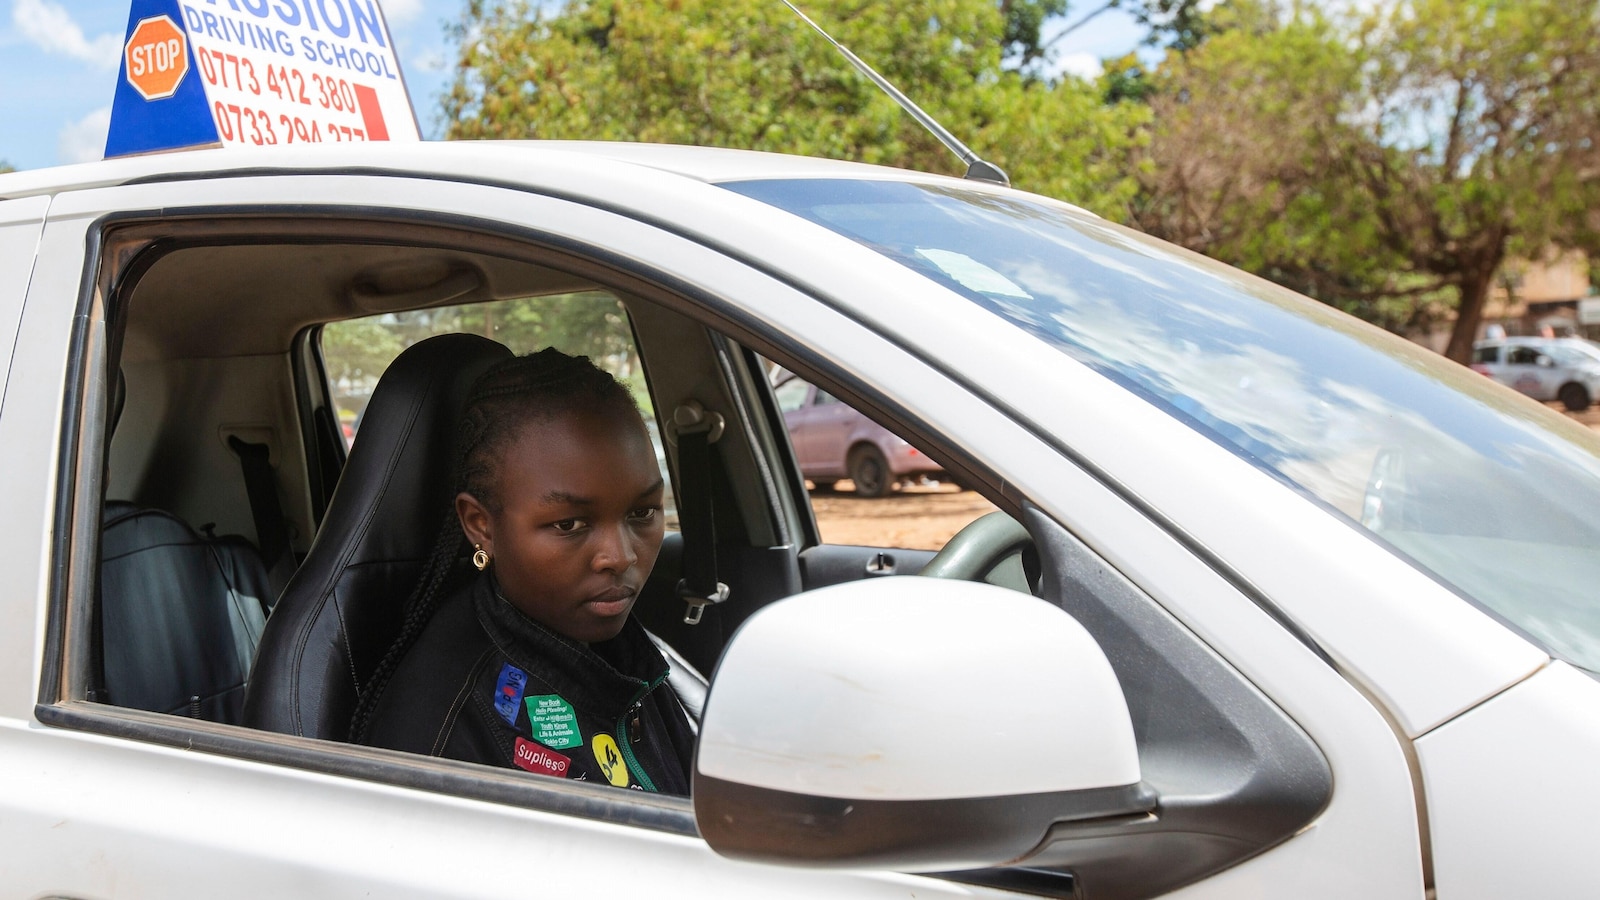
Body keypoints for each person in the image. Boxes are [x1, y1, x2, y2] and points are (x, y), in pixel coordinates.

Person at [351, 348, 695, 794]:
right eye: (568, 524)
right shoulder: (445, 731)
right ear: (481, 526)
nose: (620, 556)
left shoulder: (617, 647)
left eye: (643, 512)